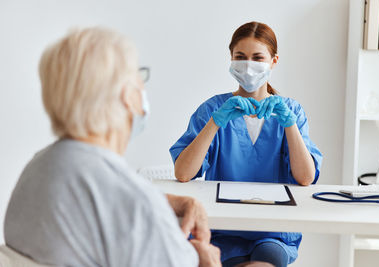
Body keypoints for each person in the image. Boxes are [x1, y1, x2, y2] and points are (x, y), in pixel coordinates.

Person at [4, 27, 221, 267]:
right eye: (140, 76)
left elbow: (94, 201)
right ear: (128, 96)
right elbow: (121, 201)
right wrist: (207, 262)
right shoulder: (136, 205)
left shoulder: (37, 169)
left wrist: (163, 200)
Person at [170, 21, 323, 267]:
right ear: (231, 60)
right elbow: (183, 173)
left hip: (272, 233)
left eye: (257, 57)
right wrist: (215, 123)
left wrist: (289, 125)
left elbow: (305, 178)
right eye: (240, 57)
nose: (249, 65)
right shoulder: (212, 109)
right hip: (221, 230)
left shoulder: (291, 111)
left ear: (273, 61)